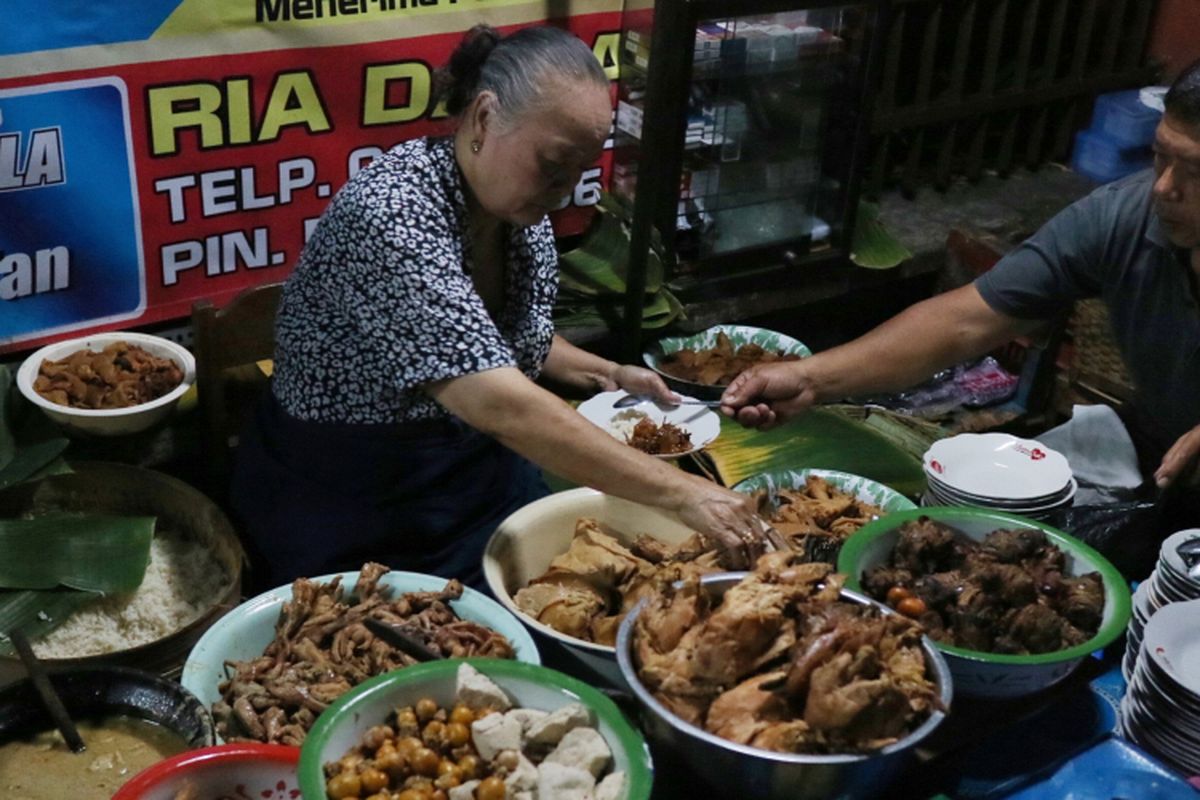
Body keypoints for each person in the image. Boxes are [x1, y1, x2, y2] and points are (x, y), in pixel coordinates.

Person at [230, 24, 766, 590]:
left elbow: (490, 337)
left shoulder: (517, 218)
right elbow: (496, 400)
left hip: (473, 478)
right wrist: (685, 493)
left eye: (579, 172)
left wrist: (605, 372)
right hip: (355, 502)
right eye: (553, 164)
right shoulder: (391, 215)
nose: (564, 189)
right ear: (484, 118)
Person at [721, 60, 1200, 502]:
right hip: (1160, 453)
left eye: (1195, 171)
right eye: (1160, 156)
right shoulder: (1125, 216)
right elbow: (965, 321)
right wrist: (810, 379)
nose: (1164, 187)